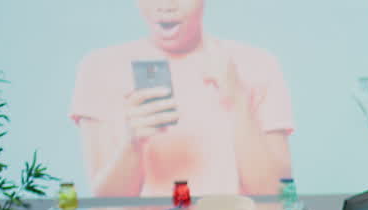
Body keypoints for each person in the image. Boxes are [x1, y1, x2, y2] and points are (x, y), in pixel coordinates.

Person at [70, 0, 294, 198]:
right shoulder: (100, 68)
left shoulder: (256, 64)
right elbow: (105, 202)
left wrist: (237, 99)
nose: (166, 5)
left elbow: (275, 193)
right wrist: (132, 144)